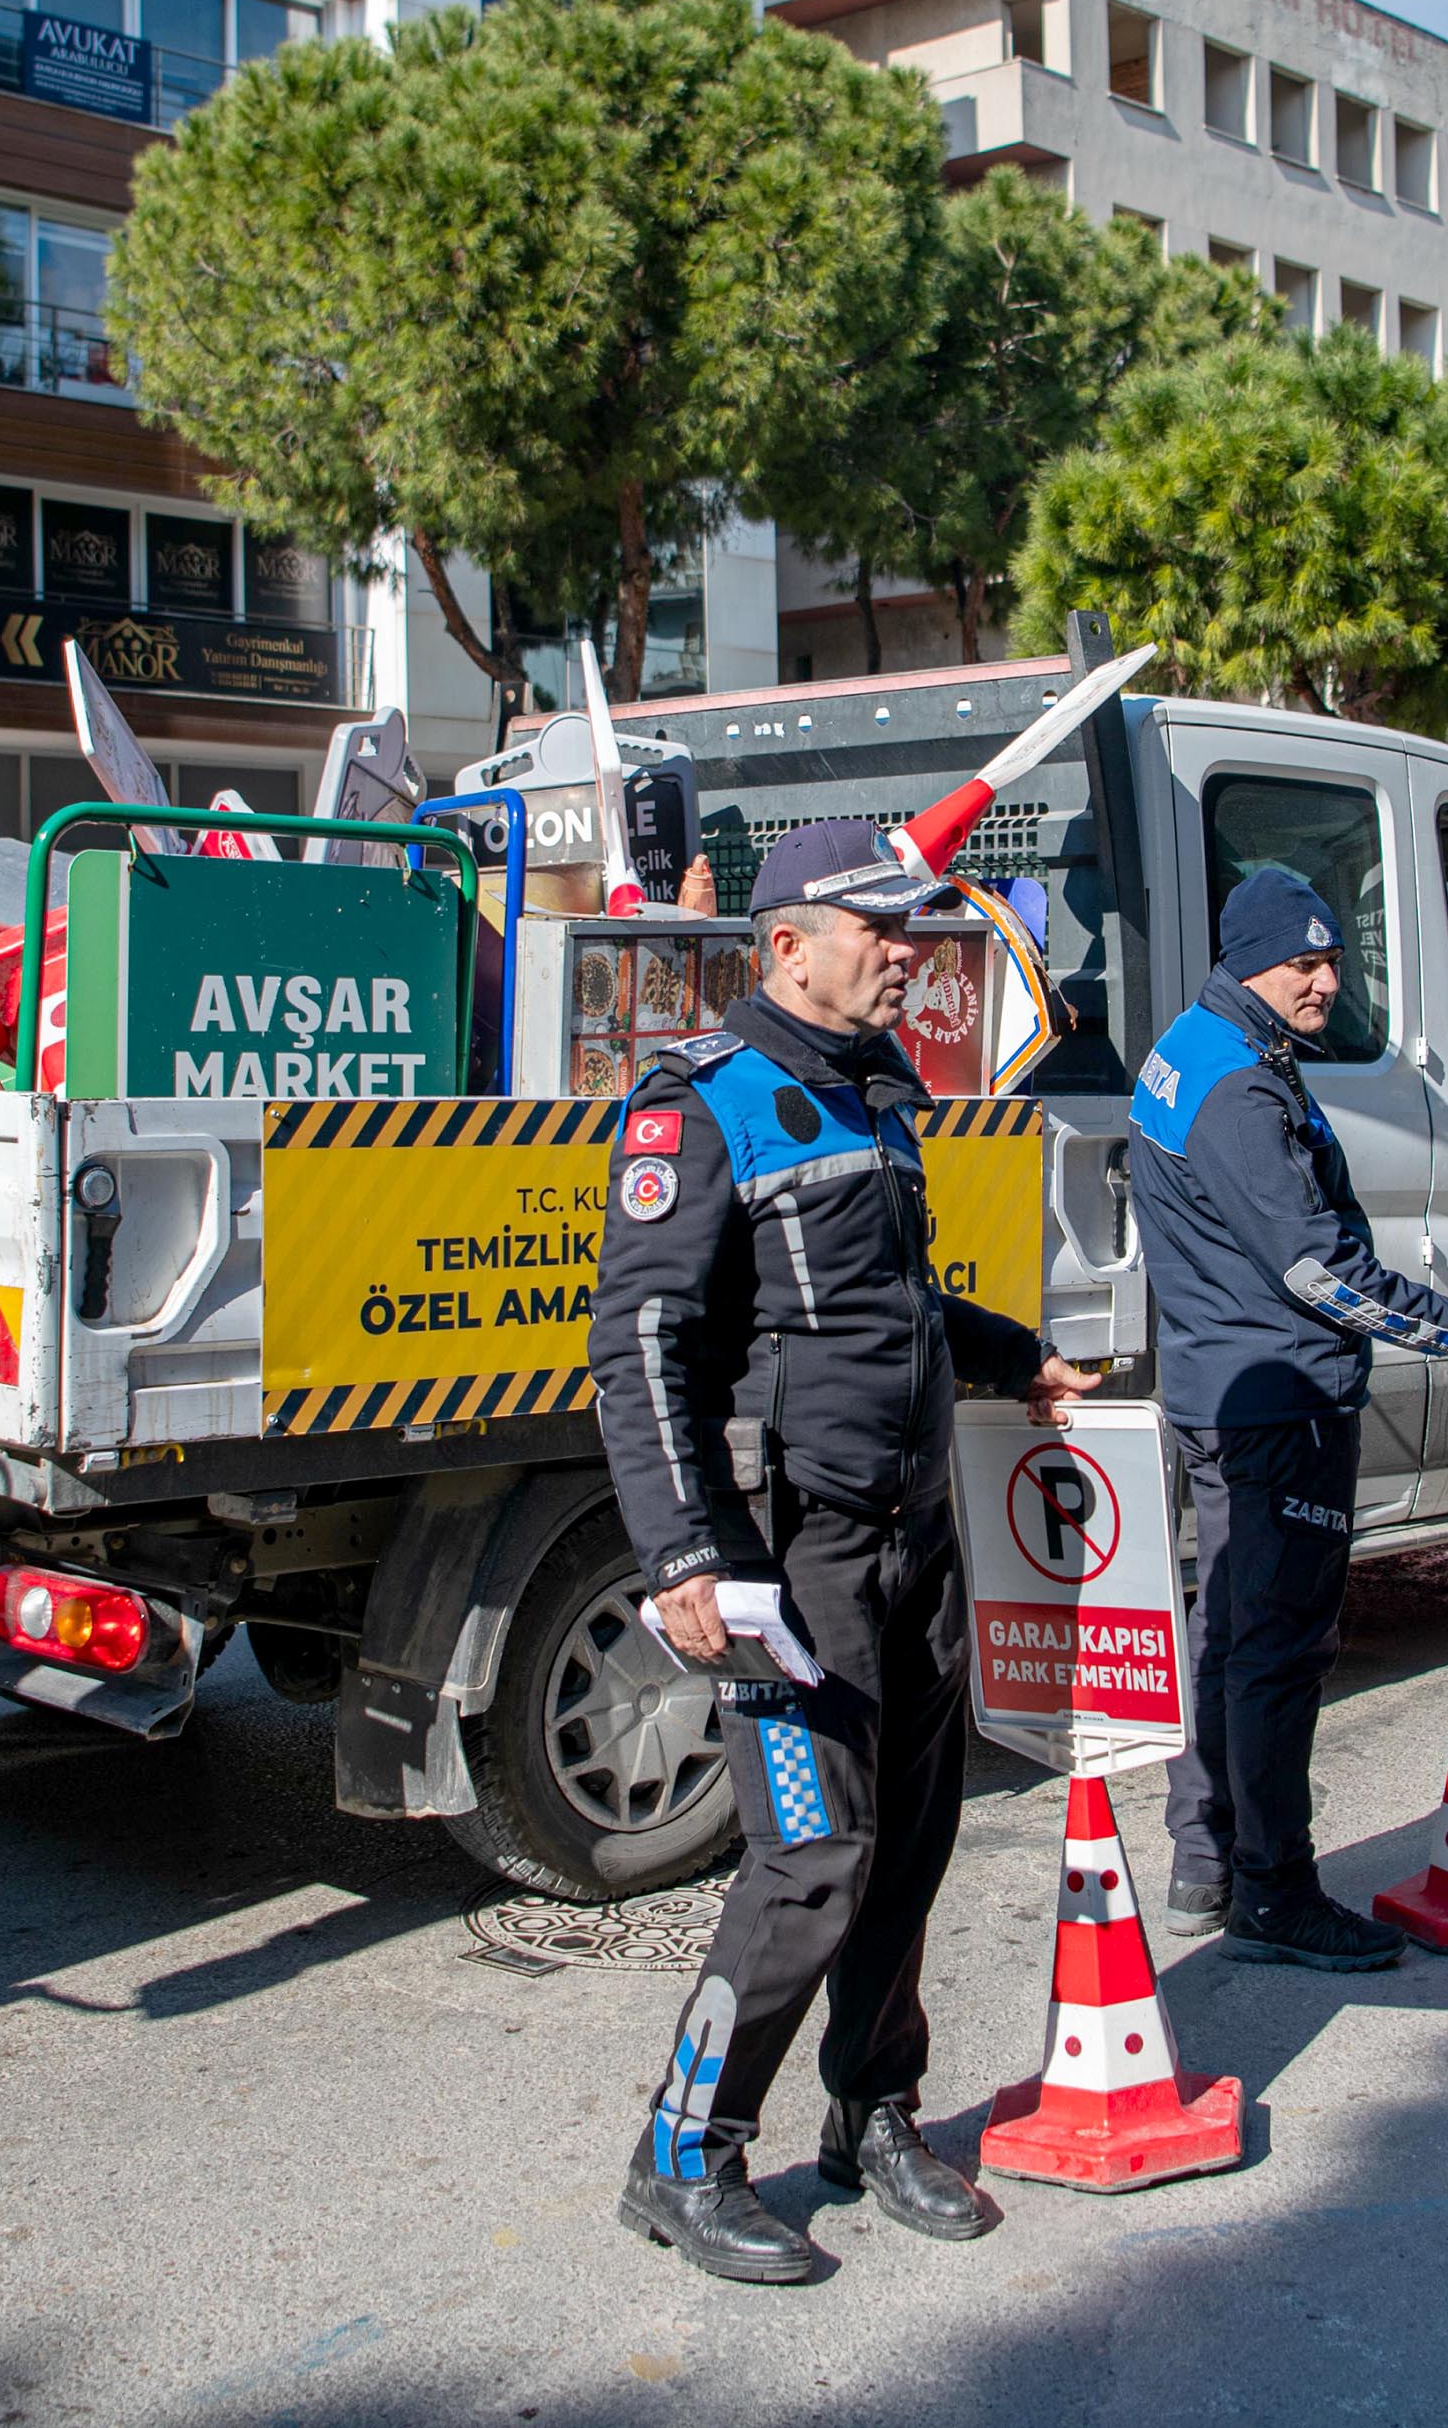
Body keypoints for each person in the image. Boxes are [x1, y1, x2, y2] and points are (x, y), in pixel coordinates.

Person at [590, 818, 1095, 2285]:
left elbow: (899, 1301)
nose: (906, 950)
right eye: (878, 929)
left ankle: (871, 2115)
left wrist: (1016, 1358)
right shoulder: (701, 1107)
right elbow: (641, 1348)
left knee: (910, 1850)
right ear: (788, 945)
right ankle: (683, 2152)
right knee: (812, 1859)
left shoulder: (877, 1089)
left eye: (910, 926)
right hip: (787, 1559)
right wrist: (685, 1556)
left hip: (915, 1538)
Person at [1127, 867, 1448, 1973]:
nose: (1326, 982)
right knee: (1277, 1651)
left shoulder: (1188, 1048)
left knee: (1227, 1638)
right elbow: (1312, 1267)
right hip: (1276, 1397)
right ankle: (1274, 1891)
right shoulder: (1239, 1087)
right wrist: (1445, 1324)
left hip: (1215, 1386)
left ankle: (1208, 1856)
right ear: (1250, 960)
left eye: (1333, 960)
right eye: (1304, 963)